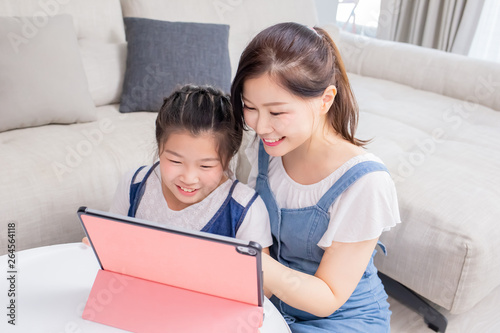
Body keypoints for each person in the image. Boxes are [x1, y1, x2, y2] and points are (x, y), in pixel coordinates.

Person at [230, 22, 401, 332]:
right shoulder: (268, 147)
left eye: (277, 112)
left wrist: (251, 263)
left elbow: (329, 297)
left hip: (342, 320)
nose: (260, 125)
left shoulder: (366, 182)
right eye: (249, 107)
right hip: (275, 306)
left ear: (325, 99)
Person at [84, 84, 272, 249]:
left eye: (205, 166)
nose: (189, 178)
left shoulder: (245, 208)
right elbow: (111, 243)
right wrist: (99, 245)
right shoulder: (135, 185)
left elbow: (261, 284)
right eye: (175, 161)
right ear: (159, 148)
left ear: (228, 158)